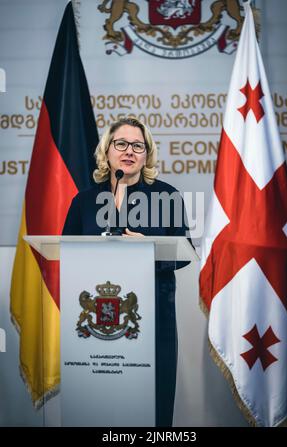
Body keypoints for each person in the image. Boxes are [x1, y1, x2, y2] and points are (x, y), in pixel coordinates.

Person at [63, 117, 193, 426]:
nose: (129, 151)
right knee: (100, 408)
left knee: (152, 409)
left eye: (138, 145)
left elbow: (185, 253)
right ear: (106, 151)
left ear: (147, 154)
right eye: (121, 143)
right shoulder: (84, 201)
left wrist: (150, 248)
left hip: (152, 320)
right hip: (97, 323)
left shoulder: (167, 196)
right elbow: (66, 251)